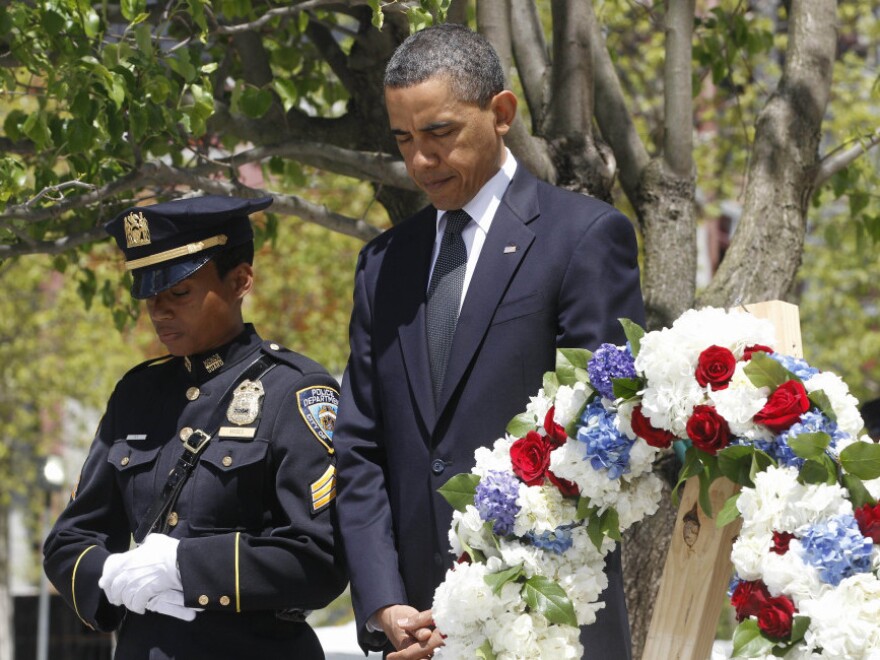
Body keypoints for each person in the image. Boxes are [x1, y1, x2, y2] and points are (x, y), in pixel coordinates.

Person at [333, 23, 645, 660]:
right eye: (403, 139)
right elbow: (360, 447)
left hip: (546, 625)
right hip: (412, 635)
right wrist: (386, 603)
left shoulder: (583, 238)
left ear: (501, 113)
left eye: (440, 133)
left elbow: (597, 446)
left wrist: (476, 607)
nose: (420, 160)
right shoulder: (383, 265)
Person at [43, 195, 347, 659]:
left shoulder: (296, 391)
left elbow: (321, 557)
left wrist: (187, 570)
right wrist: (109, 578)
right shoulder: (137, 395)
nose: (159, 310)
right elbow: (69, 540)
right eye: (150, 295)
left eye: (178, 292)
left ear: (240, 280)